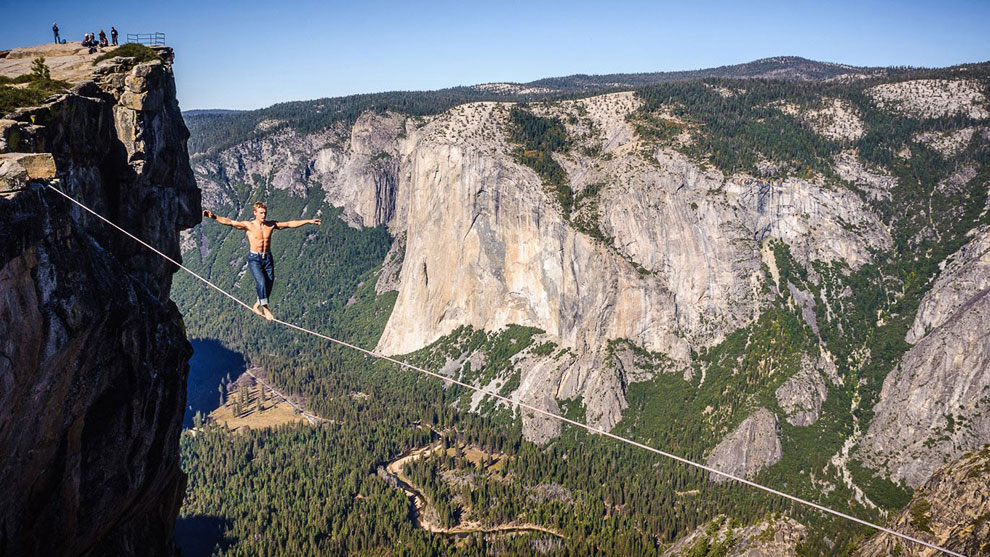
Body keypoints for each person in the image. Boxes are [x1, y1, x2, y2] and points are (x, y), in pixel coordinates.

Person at [202, 202, 321, 320]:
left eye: (265, 213)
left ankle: (256, 305)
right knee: (261, 282)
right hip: (255, 259)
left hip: (268, 258)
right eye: (261, 213)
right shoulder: (249, 225)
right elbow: (230, 222)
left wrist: (309, 221)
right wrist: (214, 216)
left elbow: (290, 224)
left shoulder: (270, 225)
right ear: (255, 213)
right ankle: (265, 308)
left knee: (269, 282)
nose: (263, 215)